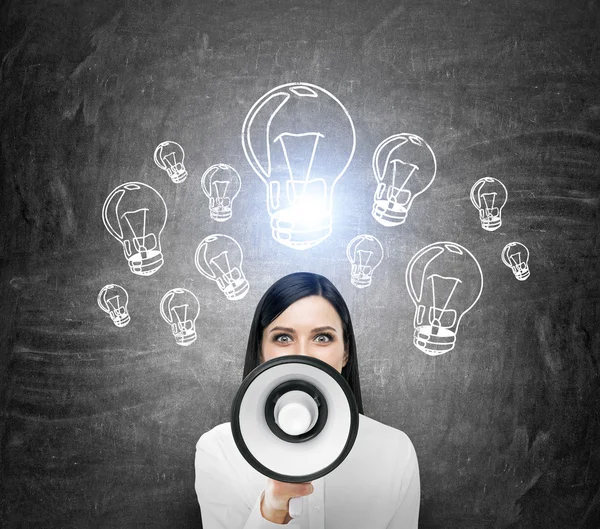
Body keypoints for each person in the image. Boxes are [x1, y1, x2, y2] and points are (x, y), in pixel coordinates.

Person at [195, 272, 420, 528]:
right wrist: (271, 510)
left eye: (322, 338)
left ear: (345, 352)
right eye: (283, 338)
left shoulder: (394, 451)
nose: (302, 354)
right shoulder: (220, 450)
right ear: (260, 350)